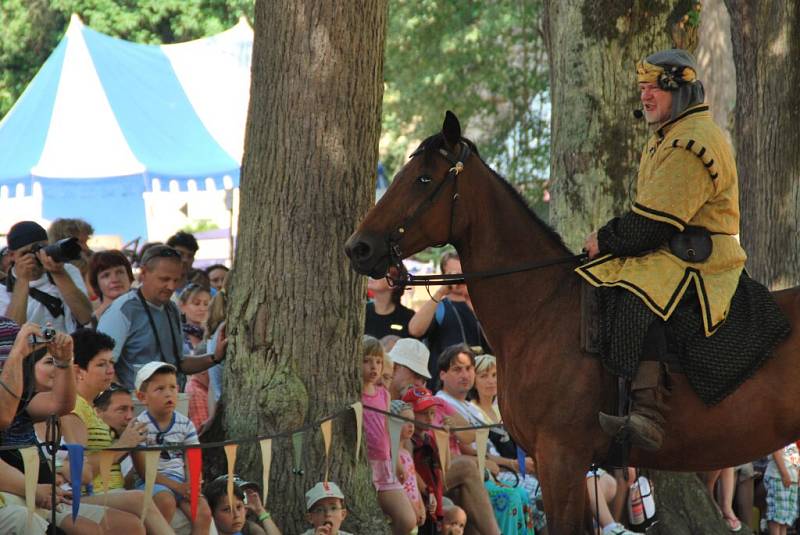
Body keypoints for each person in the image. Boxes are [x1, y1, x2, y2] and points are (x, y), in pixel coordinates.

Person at [576, 49, 790, 451]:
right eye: (642, 88)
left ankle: (648, 415)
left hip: (701, 261)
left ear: (681, 90)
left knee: (637, 297)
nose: (645, 96)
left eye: (654, 87)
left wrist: (604, 239)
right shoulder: (667, 137)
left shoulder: (693, 141)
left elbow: (654, 222)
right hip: (673, 253)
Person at [0, 324, 142, 534]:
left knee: (129, 526)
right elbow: (3, 415)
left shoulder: (26, 399)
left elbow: (62, 405)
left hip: (46, 494)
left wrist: (64, 361)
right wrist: (19, 351)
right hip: (18, 496)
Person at [65, 328, 176, 534]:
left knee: (159, 500)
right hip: (83, 494)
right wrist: (124, 444)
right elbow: (80, 470)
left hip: (112, 490)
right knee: (139, 502)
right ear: (78, 371)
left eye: (111, 363)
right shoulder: (74, 408)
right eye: (101, 364)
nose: (110, 371)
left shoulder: (89, 406)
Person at [97, 245, 226, 390]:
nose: (171, 286)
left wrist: (214, 357)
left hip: (172, 403)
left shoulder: (171, 308)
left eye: (176, 280)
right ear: (144, 273)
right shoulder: (122, 311)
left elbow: (179, 363)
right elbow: (101, 367)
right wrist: (124, 403)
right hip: (136, 407)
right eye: (164, 279)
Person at [434, 345, 528, 535]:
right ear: (442, 375)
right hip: (468, 471)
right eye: (457, 369)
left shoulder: (470, 407)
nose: (465, 375)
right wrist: (505, 464)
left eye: (469, 369)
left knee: (527, 493)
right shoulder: (440, 402)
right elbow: (466, 447)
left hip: (483, 469)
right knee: (512, 496)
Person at [469, 354, 547, 534]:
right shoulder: (471, 411)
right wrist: (514, 464)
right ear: (474, 380)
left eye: (495, 375)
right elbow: (483, 454)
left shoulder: (505, 407)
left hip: (520, 469)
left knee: (552, 494)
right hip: (497, 472)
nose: (491, 381)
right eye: (484, 376)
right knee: (535, 496)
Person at [132, 362, 212, 533]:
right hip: (153, 483)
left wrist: (192, 485)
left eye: (173, 387)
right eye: (159, 389)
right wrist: (177, 487)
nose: (168, 393)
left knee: (203, 512)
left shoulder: (185, 424)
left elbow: (193, 458)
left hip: (182, 483)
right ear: (142, 397)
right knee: (166, 503)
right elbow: (143, 471)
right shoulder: (139, 426)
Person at [361, 335, 417, 534]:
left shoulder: (384, 394)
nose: (373, 367)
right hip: (364, 467)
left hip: (386, 466)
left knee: (408, 520)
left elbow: (386, 429)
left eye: (377, 361)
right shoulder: (354, 394)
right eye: (366, 361)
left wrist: (397, 461)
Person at [408, 252, 489, 388]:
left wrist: (474, 302)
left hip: (481, 386)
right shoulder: (439, 306)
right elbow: (414, 330)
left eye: (463, 272)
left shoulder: (483, 307)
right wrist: (441, 291)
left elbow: (498, 344)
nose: (459, 278)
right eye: (453, 273)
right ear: (444, 275)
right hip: (447, 386)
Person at [1, 220, 92, 331]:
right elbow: (10, 335)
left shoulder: (67, 270)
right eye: (26, 253)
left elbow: (85, 317)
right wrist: (22, 280)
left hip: (66, 346)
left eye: (41, 249)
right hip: (28, 347)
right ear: (12, 255)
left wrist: (59, 273)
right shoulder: (3, 288)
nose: (35, 257)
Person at [390, 400, 427, 528]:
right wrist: (413, 508)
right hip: (405, 511)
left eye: (412, 420)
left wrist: (421, 507)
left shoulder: (406, 453)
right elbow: (398, 487)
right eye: (405, 420)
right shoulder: (391, 455)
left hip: (415, 511)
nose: (411, 425)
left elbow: (413, 484)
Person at [204, 476, 281, 535]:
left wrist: (261, 511)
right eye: (227, 509)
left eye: (239, 506)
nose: (236, 515)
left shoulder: (248, 528)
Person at [88, 250, 135, 323]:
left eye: (119, 272)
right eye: (106, 275)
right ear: (96, 282)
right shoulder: (92, 323)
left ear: (129, 276)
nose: (115, 279)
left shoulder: (146, 310)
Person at [764, 443, 800, 535]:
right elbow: (776, 452)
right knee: (777, 513)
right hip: (778, 477)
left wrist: (798, 473)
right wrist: (784, 474)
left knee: (786, 515)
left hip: (792, 479)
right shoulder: (780, 437)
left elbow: (794, 455)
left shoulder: (791, 441)